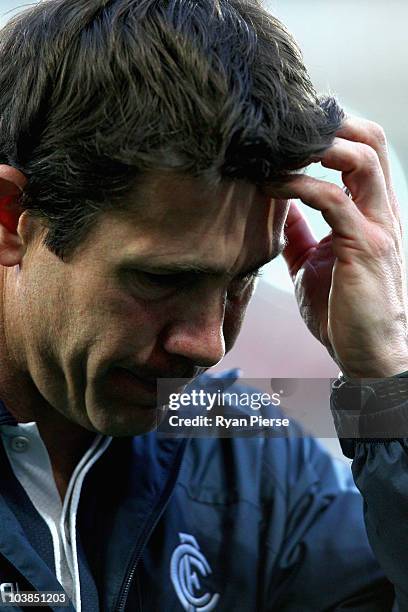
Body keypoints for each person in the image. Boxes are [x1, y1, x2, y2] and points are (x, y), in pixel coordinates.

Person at [0, 0, 406, 610]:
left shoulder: (250, 461)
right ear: (11, 221)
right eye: (162, 280)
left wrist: (384, 379)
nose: (209, 345)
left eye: (241, 280)